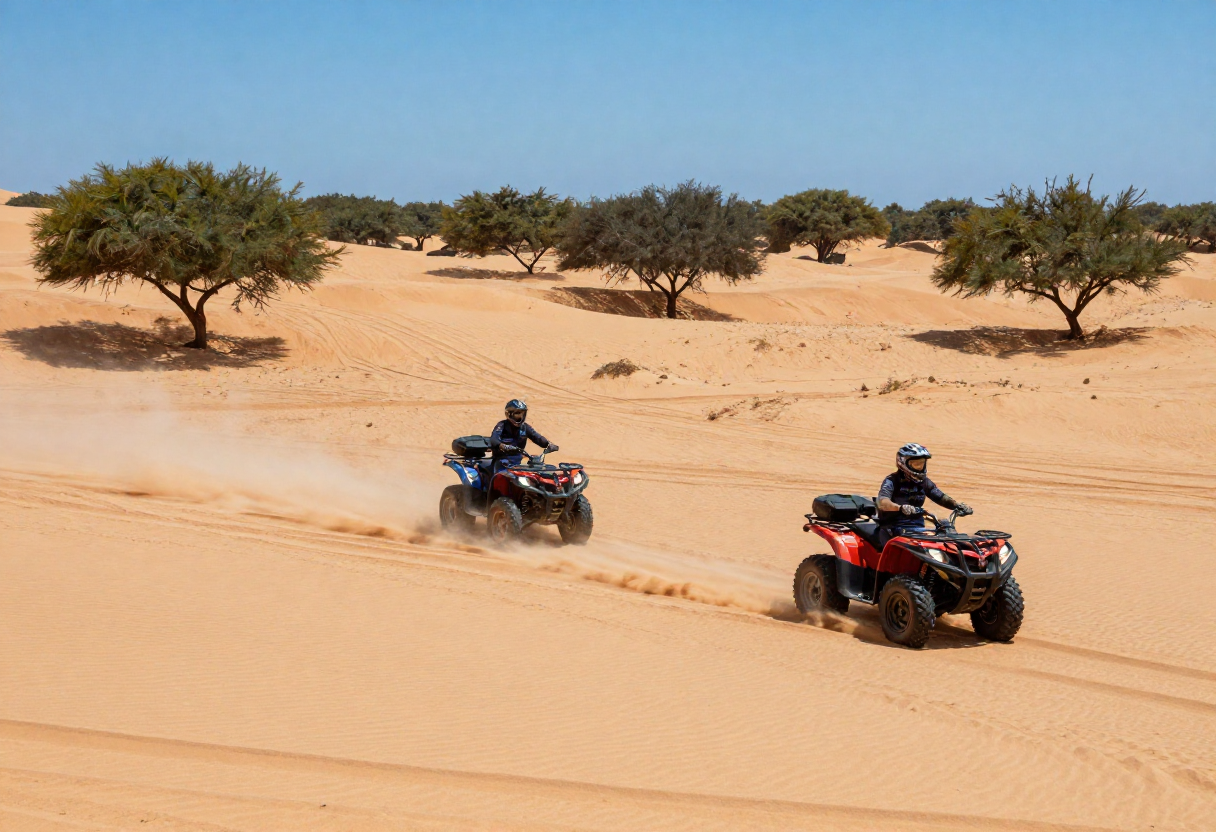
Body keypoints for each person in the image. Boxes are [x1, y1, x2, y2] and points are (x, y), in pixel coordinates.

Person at [874, 443, 971, 549]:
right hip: (893, 528)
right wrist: (900, 508)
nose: (920, 467)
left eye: (922, 464)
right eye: (916, 464)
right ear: (903, 463)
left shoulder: (924, 482)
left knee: (943, 537)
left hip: (917, 528)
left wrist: (957, 506)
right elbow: (883, 502)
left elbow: (939, 496)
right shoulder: (891, 481)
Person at [488, 398, 558, 482]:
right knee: (500, 479)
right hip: (503, 461)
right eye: (517, 413)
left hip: (519, 461)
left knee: (536, 475)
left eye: (522, 413)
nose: (520, 416)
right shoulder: (502, 425)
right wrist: (502, 446)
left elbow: (537, 437)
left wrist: (548, 444)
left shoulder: (525, 427)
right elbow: (494, 439)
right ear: (509, 414)